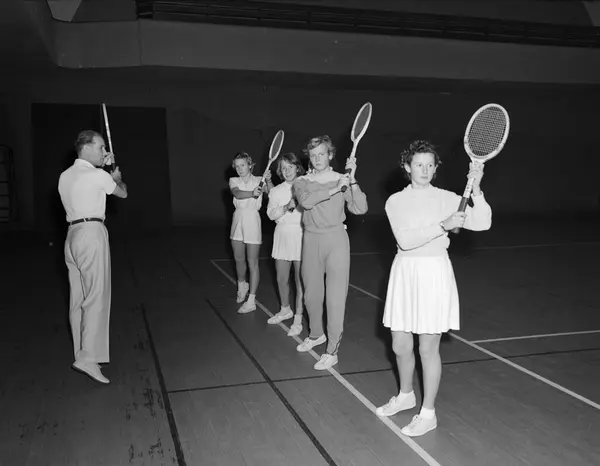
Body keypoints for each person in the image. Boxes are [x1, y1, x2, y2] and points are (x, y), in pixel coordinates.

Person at [376, 140, 491, 437]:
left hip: (434, 272)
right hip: (405, 271)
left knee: (427, 348)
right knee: (400, 345)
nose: (424, 170)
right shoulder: (395, 202)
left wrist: (477, 189)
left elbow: (482, 222)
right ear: (407, 167)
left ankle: (428, 413)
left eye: (430, 165)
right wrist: (443, 225)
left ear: (436, 168)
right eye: (419, 164)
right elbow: (405, 240)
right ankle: (405, 395)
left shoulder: (448, 198)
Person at [58, 130, 128, 384]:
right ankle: (88, 358)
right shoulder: (98, 175)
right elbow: (122, 193)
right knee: (96, 297)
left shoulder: (65, 175)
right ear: (86, 148)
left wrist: (103, 168)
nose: (104, 152)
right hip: (91, 234)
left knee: (78, 299)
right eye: (101, 147)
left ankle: (82, 353)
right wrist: (115, 176)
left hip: (72, 237)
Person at [293, 135, 368, 370]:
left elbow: (360, 208)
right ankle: (316, 334)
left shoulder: (342, 178)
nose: (317, 158)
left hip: (336, 241)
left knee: (335, 299)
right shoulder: (302, 181)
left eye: (322, 154)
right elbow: (306, 201)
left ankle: (332, 350)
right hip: (311, 240)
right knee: (311, 296)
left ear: (330, 155)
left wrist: (352, 181)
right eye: (313, 155)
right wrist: (335, 188)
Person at [265, 152, 306, 336]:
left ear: (297, 167)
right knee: (281, 278)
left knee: (299, 280)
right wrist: (285, 207)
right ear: (280, 171)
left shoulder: (305, 185)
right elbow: (271, 214)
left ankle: (298, 318)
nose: (288, 171)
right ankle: (285, 309)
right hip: (281, 235)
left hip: (301, 235)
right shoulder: (275, 191)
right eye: (284, 168)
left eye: (291, 167)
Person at [229, 152, 272, 313]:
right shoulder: (234, 180)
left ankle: (251, 300)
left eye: (243, 165)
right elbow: (237, 193)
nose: (240, 169)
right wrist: (252, 193)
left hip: (253, 221)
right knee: (239, 258)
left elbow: (272, 194)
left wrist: (268, 180)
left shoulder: (259, 179)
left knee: (252, 262)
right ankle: (242, 286)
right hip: (237, 221)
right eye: (237, 166)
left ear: (250, 165)